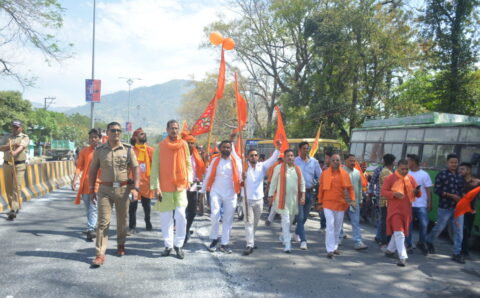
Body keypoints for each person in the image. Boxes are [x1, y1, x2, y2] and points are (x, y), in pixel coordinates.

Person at [89, 122, 139, 267]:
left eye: (118, 130)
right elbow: (92, 170)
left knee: (122, 220)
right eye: (113, 130)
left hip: (123, 190)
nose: (116, 133)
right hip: (105, 189)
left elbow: (136, 169)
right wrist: (92, 188)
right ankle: (100, 253)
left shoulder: (128, 150)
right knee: (103, 222)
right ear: (107, 132)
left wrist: (135, 188)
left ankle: (121, 244)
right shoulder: (99, 150)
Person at [150, 120, 192, 259]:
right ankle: (168, 245)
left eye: (176, 128)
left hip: (180, 186)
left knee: (181, 215)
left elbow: (188, 163)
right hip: (165, 187)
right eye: (172, 128)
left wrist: (189, 179)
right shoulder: (160, 147)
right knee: (165, 219)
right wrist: (156, 187)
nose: (174, 131)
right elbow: (155, 168)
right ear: (167, 130)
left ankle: (178, 245)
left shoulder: (184, 145)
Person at [201, 140, 242, 253]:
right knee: (215, 215)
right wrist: (202, 191)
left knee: (228, 220)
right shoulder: (215, 160)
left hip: (231, 193)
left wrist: (243, 182)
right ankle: (214, 239)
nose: (226, 149)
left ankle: (225, 243)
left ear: (231, 149)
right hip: (216, 192)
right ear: (220, 148)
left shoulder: (236, 161)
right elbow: (208, 176)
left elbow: (240, 178)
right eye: (224, 147)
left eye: (228, 147)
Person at [241, 139, 280, 255]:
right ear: (248, 157)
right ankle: (249, 244)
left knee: (255, 223)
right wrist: (241, 177)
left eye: (255, 155)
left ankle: (251, 240)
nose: (254, 157)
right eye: (251, 155)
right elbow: (237, 179)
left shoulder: (262, 166)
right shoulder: (243, 167)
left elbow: (273, 159)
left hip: (259, 199)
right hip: (247, 199)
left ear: (258, 157)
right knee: (249, 222)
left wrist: (278, 149)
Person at [381, 159, 421, 267]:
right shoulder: (390, 178)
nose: (404, 171)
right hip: (394, 210)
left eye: (406, 169)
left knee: (399, 232)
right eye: (402, 169)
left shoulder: (411, 178)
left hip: (406, 210)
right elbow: (383, 192)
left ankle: (389, 250)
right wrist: (394, 194)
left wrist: (416, 191)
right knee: (399, 232)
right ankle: (402, 257)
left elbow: (418, 194)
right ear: (397, 167)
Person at [426, 154, 465, 263]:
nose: (454, 164)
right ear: (447, 163)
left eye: (456, 162)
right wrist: (451, 195)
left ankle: (457, 253)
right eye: (452, 162)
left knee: (458, 231)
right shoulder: (442, 175)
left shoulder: (459, 176)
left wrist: (462, 198)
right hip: (445, 207)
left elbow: (462, 190)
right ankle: (429, 240)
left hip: (458, 208)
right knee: (439, 228)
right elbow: (437, 190)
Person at [317, 154, 355, 258]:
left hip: (340, 204)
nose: (335, 162)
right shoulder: (324, 174)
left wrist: (352, 200)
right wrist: (320, 202)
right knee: (330, 225)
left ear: (340, 162)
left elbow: (350, 188)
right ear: (330, 162)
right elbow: (321, 189)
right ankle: (329, 249)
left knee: (337, 227)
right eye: (333, 160)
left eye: (337, 160)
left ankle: (335, 247)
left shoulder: (344, 174)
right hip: (328, 204)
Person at [268, 149, 305, 253]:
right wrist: (270, 195)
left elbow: (302, 183)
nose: (290, 157)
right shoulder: (279, 168)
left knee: (289, 223)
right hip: (282, 201)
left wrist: (303, 195)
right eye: (288, 156)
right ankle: (288, 245)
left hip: (293, 201)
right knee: (286, 221)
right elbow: (273, 183)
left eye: (292, 155)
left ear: (294, 157)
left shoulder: (297, 169)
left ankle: (283, 236)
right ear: (284, 158)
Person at [71, 128, 101, 240]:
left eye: (95, 137)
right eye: (91, 137)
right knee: (88, 208)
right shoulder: (84, 151)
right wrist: (75, 179)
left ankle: (90, 228)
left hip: (98, 184)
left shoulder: (103, 151)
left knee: (93, 207)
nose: (93, 139)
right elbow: (79, 166)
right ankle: (91, 227)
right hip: (85, 184)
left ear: (99, 138)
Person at [294, 142, 322, 250]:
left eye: (307, 148)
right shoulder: (295, 161)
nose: (306, 150)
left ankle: (296, 233)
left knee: (305, 217)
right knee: (300, 217)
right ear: (300, 149)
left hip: (310, 192)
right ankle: (303, 240)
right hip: (298, 193)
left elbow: (320, 176)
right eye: (304, 148)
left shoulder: (314, 162)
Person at [0, 120, 29, 221]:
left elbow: (21, 146)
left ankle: (13, 209)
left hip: (19, 165)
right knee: (8, 188)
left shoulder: (24, 137)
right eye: (13, 127)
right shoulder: (6, 136)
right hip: (7, 165)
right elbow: (1, 147)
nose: (15, 129)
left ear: (21, 128)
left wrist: (15, 152)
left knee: (16, 187)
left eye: (17, 127)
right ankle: (13, 206)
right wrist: (9, 146)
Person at [128, 128, 154, 235]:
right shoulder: (131, 151)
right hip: (132, 184)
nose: (144, 135)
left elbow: (156, 166)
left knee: (147, 206)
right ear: (135, 137)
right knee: (132, 206)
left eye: (144, 134)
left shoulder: (150, 150)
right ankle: (132, 226)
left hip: (146, 184)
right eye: (141, 134)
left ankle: (147, 221)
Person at [405, 154, 433, 254]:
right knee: (409, 225)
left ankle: (422, 242)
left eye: (408, 161)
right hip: (409, 204)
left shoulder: (424, 174)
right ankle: (408, 244)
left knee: (424, 224)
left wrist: (430, 203)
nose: (406, 163)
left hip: (421, 204)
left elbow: (428, 190)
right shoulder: (406, 173)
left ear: (413, 161)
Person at [182, 133, 205, 245]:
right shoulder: (179, 155)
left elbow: (200, 172)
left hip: (194, 186)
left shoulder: (197, 157)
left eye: (192, 143)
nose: (190, 145)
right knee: (181, 212)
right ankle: (183, 231)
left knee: (192, 211)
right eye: (188, 142)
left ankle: (186, 228)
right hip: (181, 187)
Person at [342, 154, 368, 250]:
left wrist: (360, 200)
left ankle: (358, 241)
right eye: (351, 161)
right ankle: (339, 237)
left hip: (354, 202)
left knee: (355, 222)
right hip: (342, 201)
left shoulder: (357, 173)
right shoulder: (341, 172)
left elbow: (360, 188)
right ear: (345, 161)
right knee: (339, 221)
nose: (353, 163)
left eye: (354, 161)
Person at [458, 162, 480, 259]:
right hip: (461, 210)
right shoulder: (458, 180)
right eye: (460, 169)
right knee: (462, 230)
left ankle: (464, 251)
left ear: (469, 170)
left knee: (467, 232)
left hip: (471, 210)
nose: (460, 171)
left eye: (463, 169)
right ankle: (461, 252)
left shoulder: (476, 182)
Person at [374, 154, 396, 247]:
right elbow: (390, 187)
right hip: (386, 201)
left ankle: (383, 240)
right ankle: (383, 241)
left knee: (384, 221)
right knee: (385, 222)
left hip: (385, 200)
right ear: (393, 162)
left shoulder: (387, 171)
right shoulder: (387, 172)